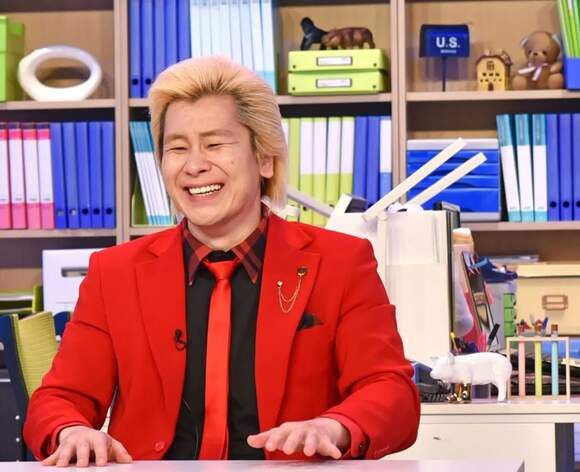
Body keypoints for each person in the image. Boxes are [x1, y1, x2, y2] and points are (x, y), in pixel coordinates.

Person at [24, 56, 420, 467]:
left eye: (214, 145)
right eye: (177, 148)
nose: (195, 165)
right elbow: (58, 399)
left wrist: (333, 426)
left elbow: (391, 391)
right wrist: (71, 430)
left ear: (264, 158)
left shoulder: (341, 262)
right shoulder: (114, 272)